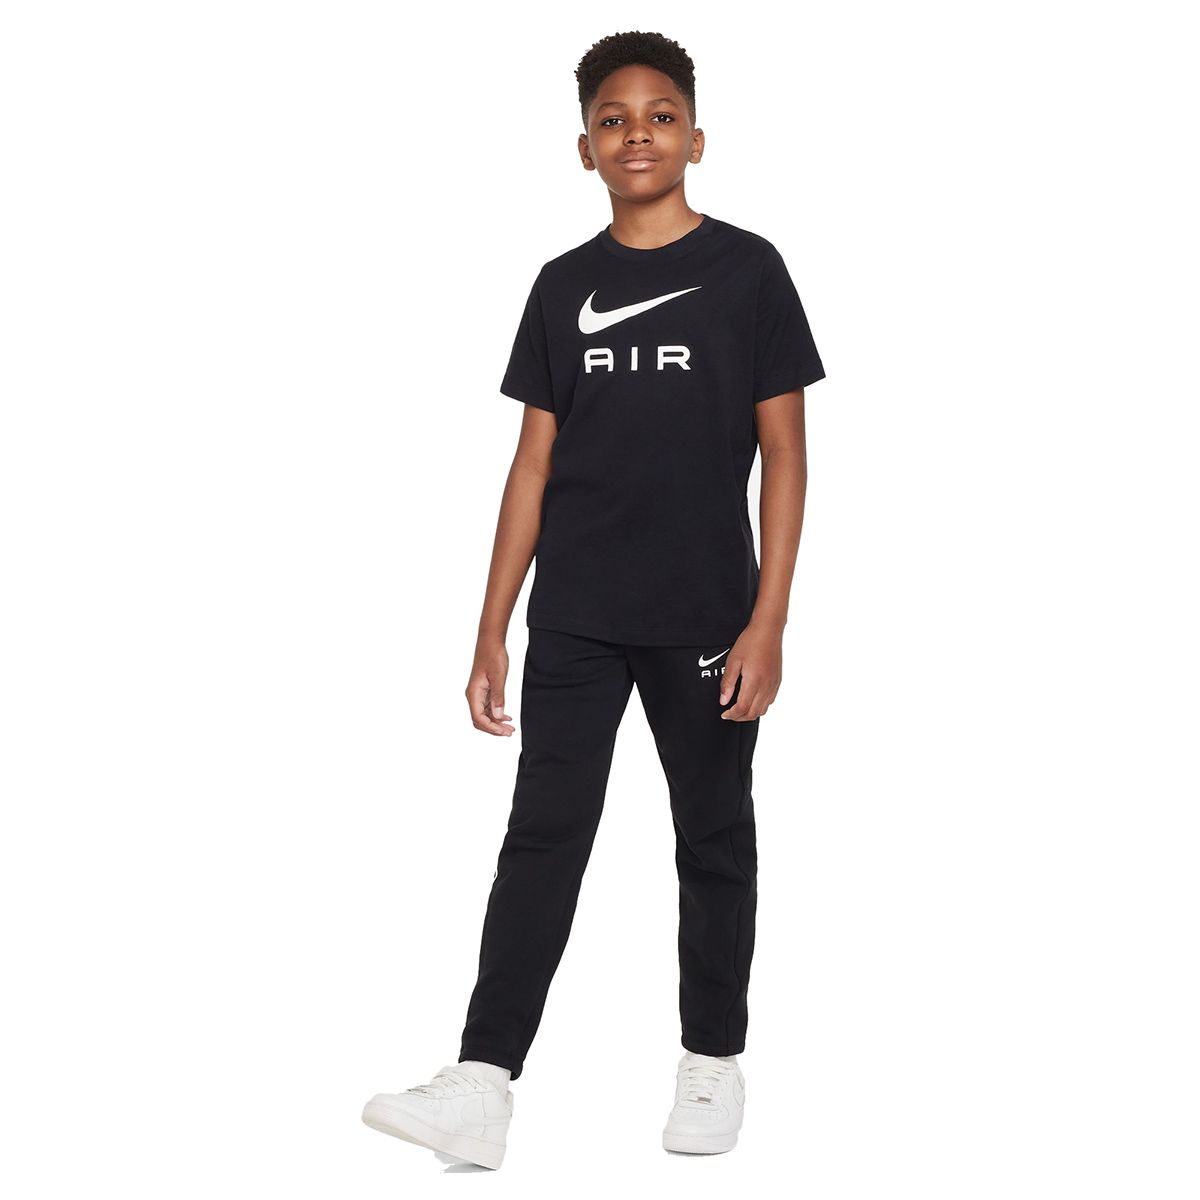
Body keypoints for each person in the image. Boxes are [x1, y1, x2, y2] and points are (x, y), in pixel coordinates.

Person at [362, 29, 825, 1170]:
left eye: (661, 115)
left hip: (707, 614)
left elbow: (786, 454)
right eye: (613, 119)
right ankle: (481, 1084)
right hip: (573, 615)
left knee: (712, 836)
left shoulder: (750, 271)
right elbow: (532, 465)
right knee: (543, 836)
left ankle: (712, 1060)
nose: (637, 135)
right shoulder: (562, 285)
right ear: (584, 148)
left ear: (697, 138)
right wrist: (491, 627)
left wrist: (767, 619)